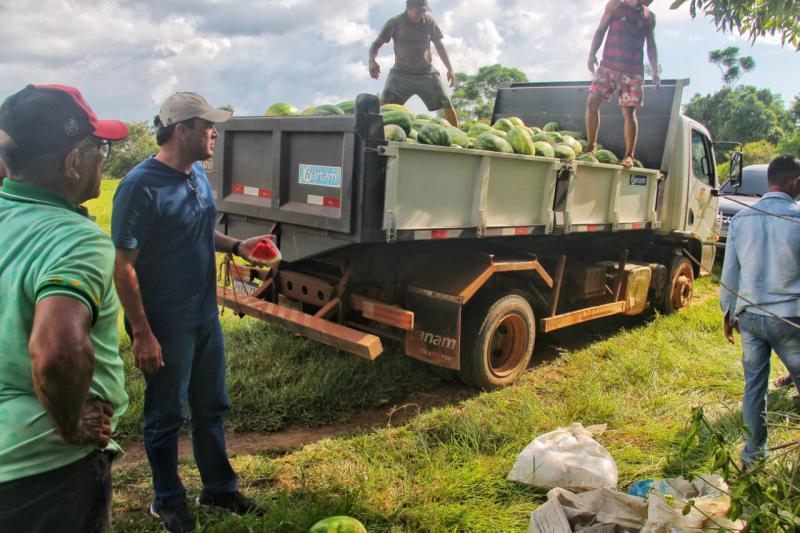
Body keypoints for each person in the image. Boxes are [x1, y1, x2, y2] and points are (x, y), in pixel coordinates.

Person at [112, 92, 269, 532]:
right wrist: (142, 333)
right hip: (164, 323)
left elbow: (198, 229)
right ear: (181, 131)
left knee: (211, 407)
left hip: (203, 316)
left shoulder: (196, 172)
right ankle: (167, 500)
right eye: (207, 126)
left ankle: (218, 488)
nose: (215, 133)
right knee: (165, 415)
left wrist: (237, 245)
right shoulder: (140, 186)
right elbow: (123, 266)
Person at [0, 84, 129, 532]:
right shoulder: (74, 239)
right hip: (44, 472)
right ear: (73, 162)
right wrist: (71, 423)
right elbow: (57, 351)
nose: (103, 158)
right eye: (100, 148)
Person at [720, 155, 800, 467]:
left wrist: (728, 313)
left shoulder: (742, 219)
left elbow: (730, 274)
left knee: (754, 386)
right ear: (795, 182)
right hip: (788, 318)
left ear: (770, 181)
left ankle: (752, 457)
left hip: (750, 317)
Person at [586, 0, 659, 168]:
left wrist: (655, 70)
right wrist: (592, 54)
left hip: (633, 71)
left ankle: (629, 155)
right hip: (608, 66)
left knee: (629, 112)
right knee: (592, 101)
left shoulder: (649, 16)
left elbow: (651, 45)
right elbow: (601, 30)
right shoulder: (616, 5)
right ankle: (590, 146)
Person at [369, 0, 459, 127]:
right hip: (401, 73)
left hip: (426, 73)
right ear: (408, 8)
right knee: (384, 102)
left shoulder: (429, 22)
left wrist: (449, 68)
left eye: (424, 11)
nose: (421, 14)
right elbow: (376, 44)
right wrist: (372, 61)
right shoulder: (395, 22)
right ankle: (376, 132)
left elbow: (439, 46)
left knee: (446, 102)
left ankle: (458, 132)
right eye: (418, 11)